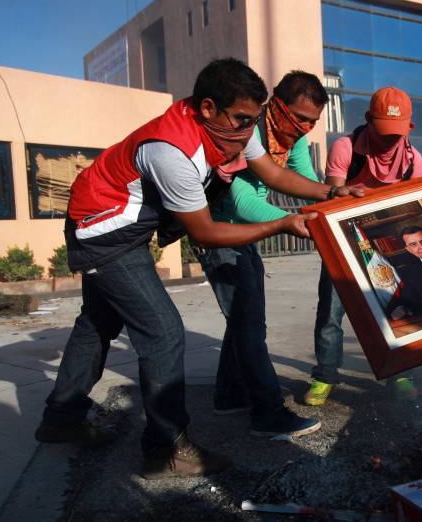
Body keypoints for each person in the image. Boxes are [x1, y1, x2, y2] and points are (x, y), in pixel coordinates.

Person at [35, 58, 361, 480]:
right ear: (207, 108)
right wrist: (280, 223)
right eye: (242, 120)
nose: (248, 134)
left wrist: (333, 190)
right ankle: (165, 450)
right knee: (164, 332)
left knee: (97, 323)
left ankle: (61, 418)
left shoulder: (236, 125)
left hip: (118, 221)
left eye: (253, 121)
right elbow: (205, 232)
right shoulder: (173, 150)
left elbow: (274, 174)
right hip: (103, 229)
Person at [197, 71, 328, 439]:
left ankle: (228, 395)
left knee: (243, 319)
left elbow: (302, 179)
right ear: (277, 106)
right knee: (250, 324)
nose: (305, 128)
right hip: (220, 232)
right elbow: (243, 202)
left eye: (313, 122)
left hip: (245, 236)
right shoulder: (249, 131)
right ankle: (267, 413)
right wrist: (291, 221)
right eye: (300, 118)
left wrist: (336, 195)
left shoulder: (293, 138)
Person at [305, 86, 422, 406]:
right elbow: (331, 203)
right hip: (342, 240)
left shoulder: (414, 160)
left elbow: (419, 208)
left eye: (396, 134)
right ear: (368, 120)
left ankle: (398, 371)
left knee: (394, 310)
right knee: (331, 312)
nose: (390, 140)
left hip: (389, 244)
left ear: (409, 127)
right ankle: (325, 375)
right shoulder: (345, 148)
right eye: (384, 131)